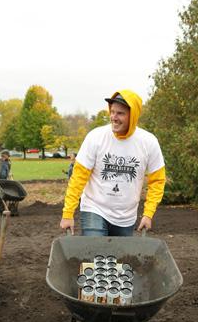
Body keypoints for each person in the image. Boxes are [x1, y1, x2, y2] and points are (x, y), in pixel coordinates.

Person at [60, 90, 166, 236]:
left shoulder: (148, 143)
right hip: (94, 208)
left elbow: (157, 181)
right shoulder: (96, 137)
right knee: (95, 254)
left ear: (133, 115)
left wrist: (148, 214)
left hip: (126, 217)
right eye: (112, 112)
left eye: (120, 113)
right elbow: (78, 178)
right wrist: (68, 213)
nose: (113, 117)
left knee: (120, 258)